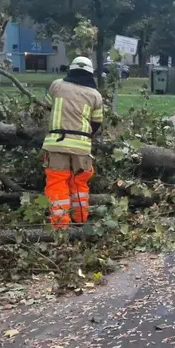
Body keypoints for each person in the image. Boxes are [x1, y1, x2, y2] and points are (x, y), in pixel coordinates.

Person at [41, 57, 104, 228]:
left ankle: (60, 226)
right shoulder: (95, 95)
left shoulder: (57, 86)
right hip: (82, 146)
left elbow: (46, 106)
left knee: (57, 183)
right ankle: (81, 220)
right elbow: (96, 122)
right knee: (79, 184)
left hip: (56, 143)